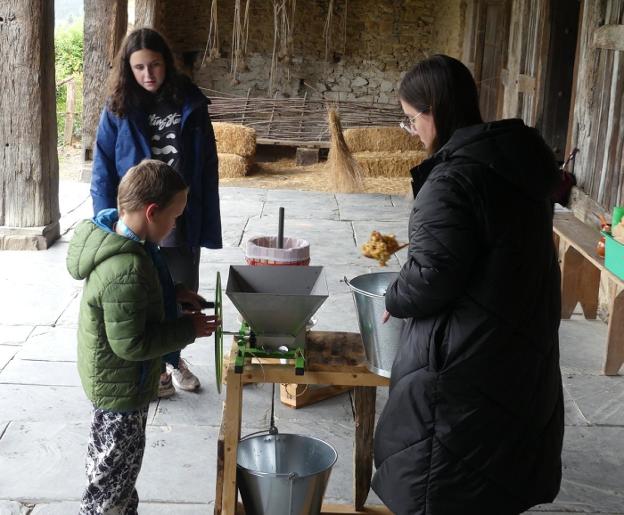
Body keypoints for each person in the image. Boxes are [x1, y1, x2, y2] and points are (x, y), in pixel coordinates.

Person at [373, 55, 564, 515]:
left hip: (466, 359)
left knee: (446, 480)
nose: (413, 130)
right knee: (495, 474)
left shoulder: (452, 179)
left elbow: (431, 279)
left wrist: (394, 297)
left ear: (433, 112)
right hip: (516, 342)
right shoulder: (513, 164)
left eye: (411, 119)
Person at [68, 160, 219, 514]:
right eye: (174, 217)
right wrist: (187, 329)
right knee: (109, 485)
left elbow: (145, 295)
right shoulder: (126, 268)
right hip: (120, 391)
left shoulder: (130, 243)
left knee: (117, 473)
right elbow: (132, 344)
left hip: (116, 385)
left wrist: (176, 293)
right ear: (152, 213)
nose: (174, 225)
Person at [91, 27, 221, 397]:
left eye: (155, 65)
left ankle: (172, 361)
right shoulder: (118, 108)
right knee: (144, 292)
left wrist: (205, 218)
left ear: (167, 63)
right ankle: (155, 369)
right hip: (135, 217)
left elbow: (207, 164)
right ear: (128, 69)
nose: (148, 75)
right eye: (139, 68)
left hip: (178, 213)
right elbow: (102, 169)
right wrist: (107, 220)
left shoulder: (190, 102)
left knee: (181, 290)